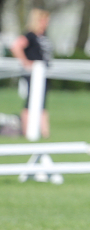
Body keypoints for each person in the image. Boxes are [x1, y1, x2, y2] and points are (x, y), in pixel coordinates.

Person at [10, 8, 53, 138]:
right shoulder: (30, 35)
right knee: (31, 102)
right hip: (34, 74)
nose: (46, 23)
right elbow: (16, 46)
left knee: (42, 102)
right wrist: (26, 62)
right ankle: (27, 130)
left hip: (44, 73)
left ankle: (45, 133)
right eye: (43, 20)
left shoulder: (43, 36)